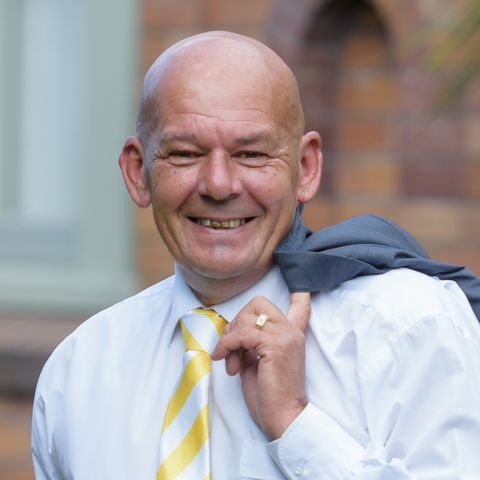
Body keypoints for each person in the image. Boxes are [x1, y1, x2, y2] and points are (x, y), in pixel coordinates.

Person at [32, 31, 480, 479]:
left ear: (305, 168)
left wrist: (296, 424)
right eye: (185, 154)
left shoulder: (407, 328)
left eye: (250, 154)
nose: (219, 184)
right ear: (138, 172)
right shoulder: (77, 374)